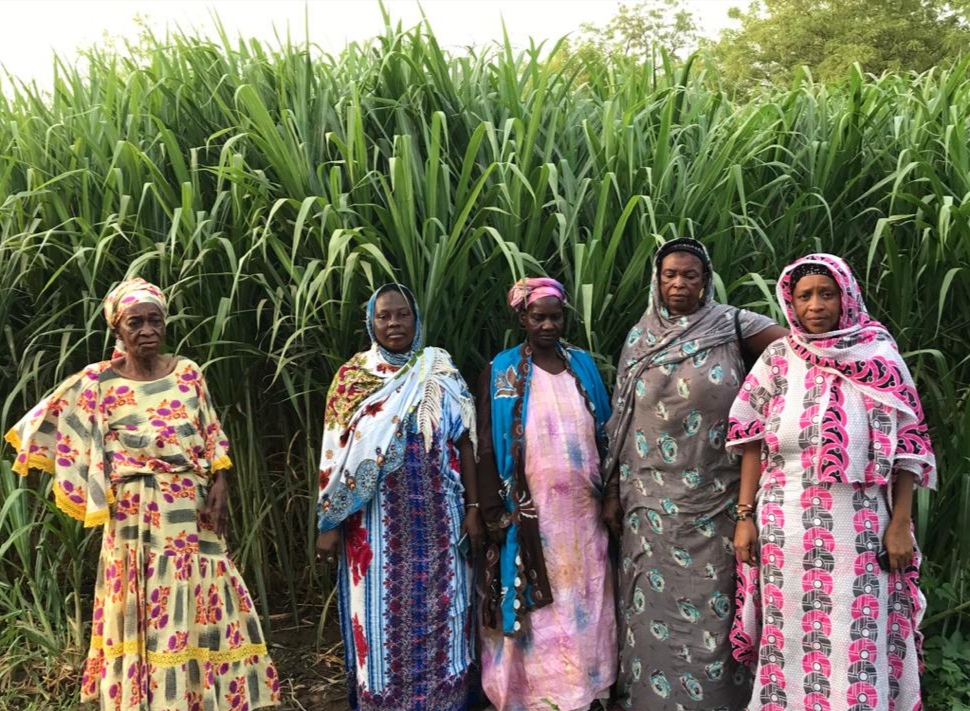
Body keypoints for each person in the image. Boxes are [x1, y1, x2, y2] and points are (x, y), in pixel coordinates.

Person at [5, 277, 280, 710]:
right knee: (143, 605)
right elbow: (43, 425)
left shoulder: (188, 372)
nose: (148, 330)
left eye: (155, 320)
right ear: (118, 328)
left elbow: (211, 435)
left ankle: (198, 697)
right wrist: (83, 475)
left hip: (190, 510)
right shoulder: (97, 383)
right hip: (133, 516)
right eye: (136, 322)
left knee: (199, 598)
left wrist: (221, 482)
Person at [728, 254, 935, 710]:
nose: (816, 304)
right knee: (790, 642)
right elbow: (750, 440)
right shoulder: (778, 360)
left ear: (847, 297)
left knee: (854, 639)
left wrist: (901, 523)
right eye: (805, 296)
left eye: (827, 293)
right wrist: (745, 518)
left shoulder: (880, 357)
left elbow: (908, 449)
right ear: (791, 303)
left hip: (860, 526)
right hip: (786, 527)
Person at [602, 238, 787, 711]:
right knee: (649, 615)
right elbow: (623, 422)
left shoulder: (734, 325)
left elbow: (801, 353)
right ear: (656, 280)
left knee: (712, 616)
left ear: (706, 281)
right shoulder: (640, 336)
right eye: (670, 275)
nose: (680, 284)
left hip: (717, 503)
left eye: (690, 275)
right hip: (648, 506)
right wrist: (615, 495)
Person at [315, 283, 482, 711]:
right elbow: (334, 452)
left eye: (402, 314)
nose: (394, 324)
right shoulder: (352, 379)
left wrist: (473, 509)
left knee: (444, 616)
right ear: (370, 322)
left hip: (439, 524)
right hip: (373, 530)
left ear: (416, 320)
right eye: (384, 316)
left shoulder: (439, 370)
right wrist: (329, 523)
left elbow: (465, 441)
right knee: (378, 622)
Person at [477, 277, 617, 711]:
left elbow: (607, 433)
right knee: (536, 610)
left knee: (586, 597)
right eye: (538, 317)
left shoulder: (583, 366)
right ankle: (533, 695)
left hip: (583, 515)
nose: (548, 325)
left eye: (556, 316)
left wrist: (612, 492)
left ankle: (584, 688)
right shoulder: (501, 370)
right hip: (529, 516)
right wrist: (492, 510)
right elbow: (483, 443)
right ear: (523, 318)